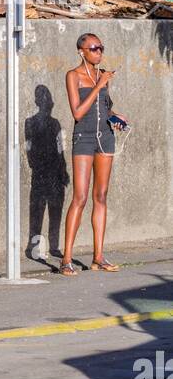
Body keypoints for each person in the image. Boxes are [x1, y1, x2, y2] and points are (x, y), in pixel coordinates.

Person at [59, 33, 128, 276]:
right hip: (84, 138)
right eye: (94, 48)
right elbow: (78, 113)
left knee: (101, 195)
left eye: (101, 48)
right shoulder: (73, 76)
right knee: (80, 196)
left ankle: (98, 257)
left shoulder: (103, 76)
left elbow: (104, 109)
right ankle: (66, 259)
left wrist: (116, 117)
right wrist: (98, 85)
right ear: (81, 51)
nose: (99, 53)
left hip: (105, 137)